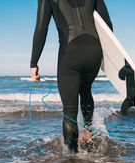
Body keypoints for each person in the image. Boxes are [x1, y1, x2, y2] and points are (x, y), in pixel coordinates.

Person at [30, 0, 113, 153]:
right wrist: (108, 56)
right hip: (95, 50)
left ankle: (72, 157)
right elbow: (106, 22)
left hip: (70, 51)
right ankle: (88, 133)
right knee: (86, 90)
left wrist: (34, 62)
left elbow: (42, 27)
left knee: (69, 109)